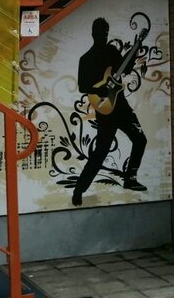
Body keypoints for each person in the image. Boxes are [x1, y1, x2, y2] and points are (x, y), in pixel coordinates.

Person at [71, 17, 147, 206]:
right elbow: (82, 87)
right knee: (101, 152)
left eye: (106, 33)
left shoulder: (111, 51)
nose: (104, 36)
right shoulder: (85, 59)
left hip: (120, 105)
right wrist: (99, 90)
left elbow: (125, 68)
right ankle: (79, 190)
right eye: (101, 33)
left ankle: (130, 178)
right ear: (93, 33)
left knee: (140, 139)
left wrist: (136, 47)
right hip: (104, 108)